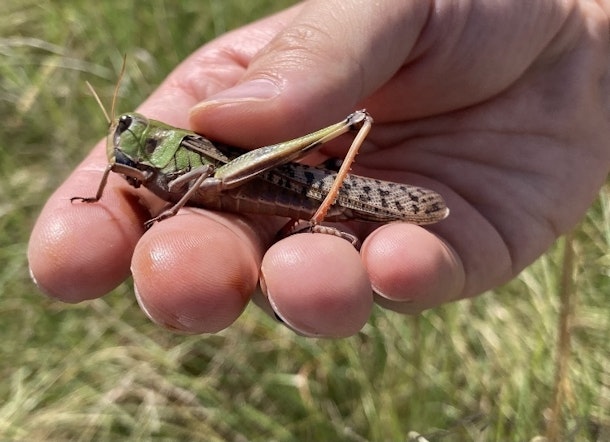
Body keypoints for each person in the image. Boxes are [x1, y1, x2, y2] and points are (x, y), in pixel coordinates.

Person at [28, 1, 610, 337]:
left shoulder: (177, 147)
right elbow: (125, 172)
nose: (124, 148)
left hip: (268, 181)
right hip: (241, 179)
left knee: (235, 175)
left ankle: (325, 212)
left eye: (133, 134)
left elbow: (199, 181)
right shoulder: (133, 162)